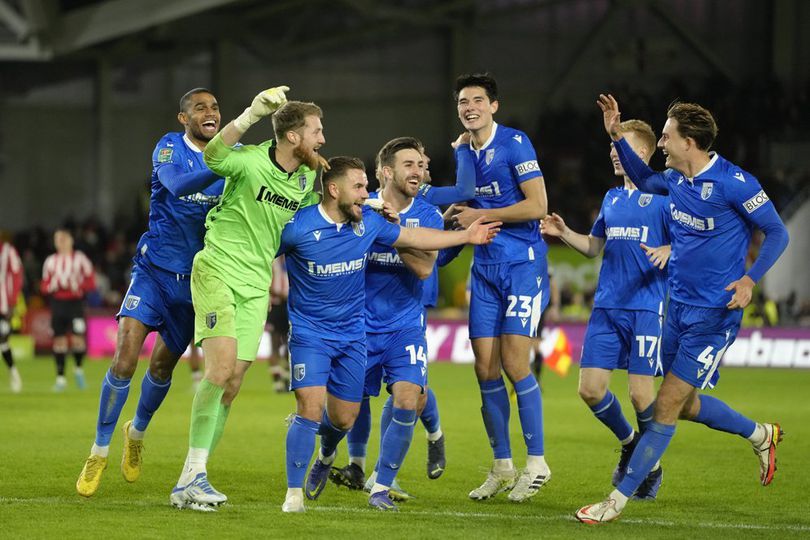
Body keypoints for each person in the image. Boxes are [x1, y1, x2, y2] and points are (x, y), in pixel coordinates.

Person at [575, 95, 790, 523]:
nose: (663, 144)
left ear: (689, 141)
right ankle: (760, 434)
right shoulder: (675, 183)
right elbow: (640, 174)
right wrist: (616, 135)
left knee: (665, 407)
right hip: (677, 310)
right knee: (686, 405)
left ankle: (615, 501)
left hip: (715, 315)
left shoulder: (735, 182)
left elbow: (777, 233)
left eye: (668, 136)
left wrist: (750, 280)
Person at [278, 156, 500, 513]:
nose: (367, 194)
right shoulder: (297, 227)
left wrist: (467, 236)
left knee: (346, 416)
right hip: (311, 333)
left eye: (367, 186)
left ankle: (365, 475)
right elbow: (259, 252)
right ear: (334, 190)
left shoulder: (369, 223)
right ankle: (293, 496)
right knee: (310, 407)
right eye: (360, 187)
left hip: (358, 335)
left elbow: (416, 237)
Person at [169, 86, 326, 512]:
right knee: (218, 371)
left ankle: (189, 478)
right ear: (292, 136)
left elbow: (312, 217)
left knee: (233, 384)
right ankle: (197, 475)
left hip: (256, 283)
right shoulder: (252, 160)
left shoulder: (308, 177)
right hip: (217, 268)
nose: (322, 139)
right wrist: (251, 113)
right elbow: (213, 158)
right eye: (316, 130)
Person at [75, 88, 225, 497]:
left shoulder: (233, 156)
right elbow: (176, 186)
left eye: (214, 107)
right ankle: (98, 450)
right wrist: (224, 159)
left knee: (161, 369)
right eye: (200, 108)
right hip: (154, 272)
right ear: (184, 118)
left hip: (195, 283)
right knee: (124, 359)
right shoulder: (169, 147)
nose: (209, 113)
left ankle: (136, 433)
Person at [329, 138, 474, 497]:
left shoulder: (425, 210)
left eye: (423, 165)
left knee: (409, 391)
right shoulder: (360, 205)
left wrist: (396, 234)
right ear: (385, 172)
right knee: (356, 398)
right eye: (412, 164)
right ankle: (356, 464)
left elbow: (431, 263)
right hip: (359, 318)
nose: (421, 171)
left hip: (407, 311)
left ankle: (397, 463)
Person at [540, 119, 671, 500]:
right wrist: (565, 233)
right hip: (607, 308)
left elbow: (694, 247)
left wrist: (671, 251)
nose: (614, 151)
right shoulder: (612, 198)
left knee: (641, 397)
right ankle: (632, 443)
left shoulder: (665, 199)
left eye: (622, 145)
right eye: (613, 146)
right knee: (591, 390)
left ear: (642, 154)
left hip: (646, 308)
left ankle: (650, 466)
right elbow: (595, 246)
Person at [449, 73, 551, 502]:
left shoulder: (515, 143)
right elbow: (465, 198)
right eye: (462, 101)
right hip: (485, 269)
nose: (469, 106)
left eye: (477, 100)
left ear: (494, 106)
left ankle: (538, 463)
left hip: (522, 266)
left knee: (514, 364)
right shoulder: (464, 150)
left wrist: (481, 217)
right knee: (484, 369)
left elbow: (538, 206)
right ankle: (502, 466)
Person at [41, 228, 95, 392]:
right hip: (58, 303)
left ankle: (78, 370)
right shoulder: (50, 261)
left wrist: (78, 286)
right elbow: (44, 285)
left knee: (78, 339)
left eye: (64, 238)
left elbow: (91, 282)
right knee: (59, 340)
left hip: (76, 304)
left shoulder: (80, 259)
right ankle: (61, 379)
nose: (61, 241)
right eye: (58, 239)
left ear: (71, 240)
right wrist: (52, 286)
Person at [0, 237, 23, 393]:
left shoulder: (8, 251)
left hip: (3, 305)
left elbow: (17, 275)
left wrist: (13, 301)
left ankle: (13, 371)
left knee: (3, 341)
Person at [267, 256, 290, 393]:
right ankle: (277, 383)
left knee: (290, 344)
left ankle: (287, 377)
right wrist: (279, 293)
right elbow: (264, 282)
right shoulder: (271, 260)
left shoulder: (291, 257)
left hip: (289, 305)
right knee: (274, 344)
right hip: (275, 305)